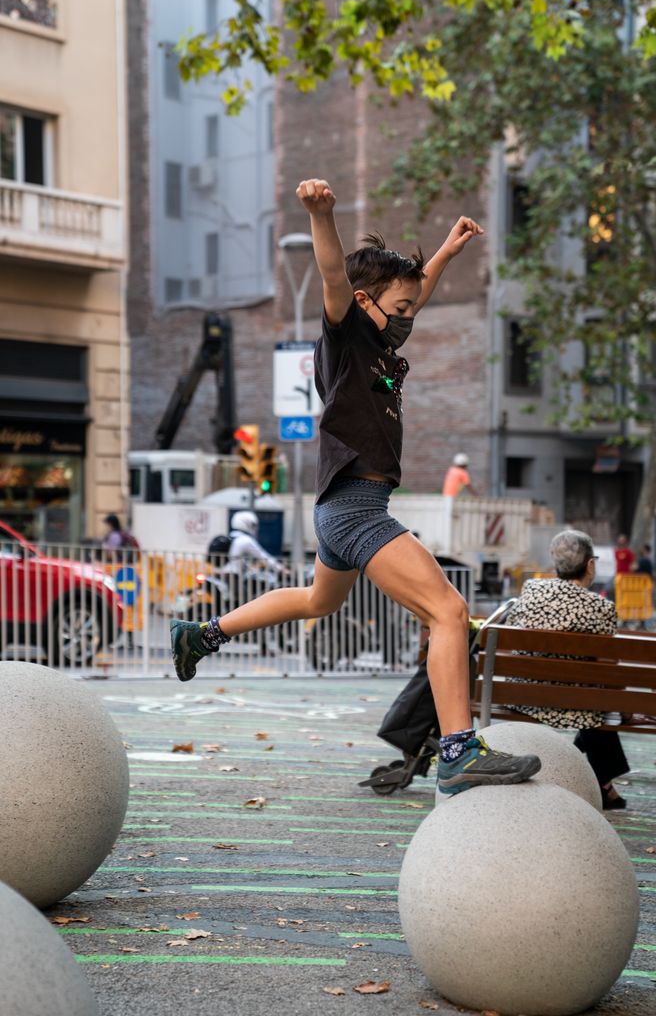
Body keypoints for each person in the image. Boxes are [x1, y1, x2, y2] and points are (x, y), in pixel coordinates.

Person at [170, 176, 540, 798]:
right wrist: (322, 215)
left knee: (318, 602)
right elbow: (335, 276)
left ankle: (201, 635)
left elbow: (414, 294)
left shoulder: (380, 341)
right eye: (396, 311)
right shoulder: (345, 336)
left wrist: (446, 250)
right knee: (449, 612)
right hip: (358, 507)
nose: (406, 321)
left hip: (339, 512)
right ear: (366, 303)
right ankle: (457, 749)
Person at [505, 529, 630, 809]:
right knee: (598, 701)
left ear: (555, 563)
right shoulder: (601, 608)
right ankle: (602, 780)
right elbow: (607, 667)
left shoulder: (532, 591)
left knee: (592, 697)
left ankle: (601, 779)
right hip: (578, 705)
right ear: (590, 564)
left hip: (525, 697)